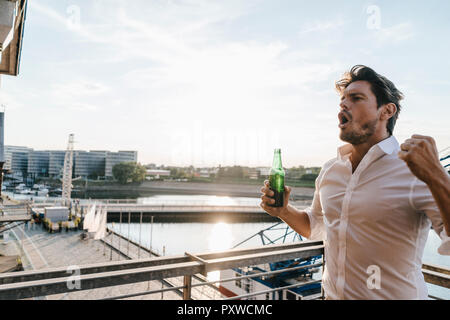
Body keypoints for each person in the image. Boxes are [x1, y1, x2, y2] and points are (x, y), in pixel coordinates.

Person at [260, 65, 450, 300]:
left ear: (386, 111)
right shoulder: (331, 169)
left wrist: (438, 177)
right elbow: (317, 226)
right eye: (342, 99)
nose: (343, 104)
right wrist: (283, 211)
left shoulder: (415, 169)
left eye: (356, 98)